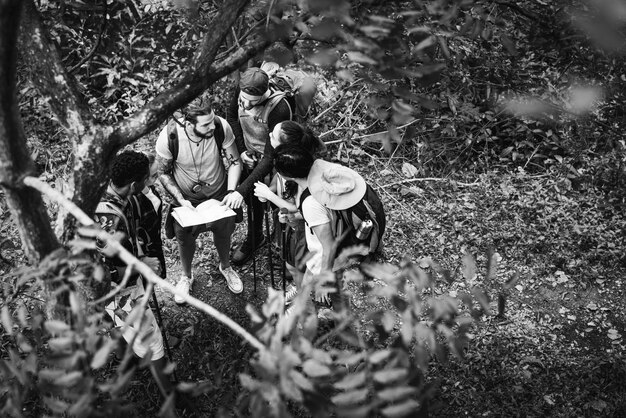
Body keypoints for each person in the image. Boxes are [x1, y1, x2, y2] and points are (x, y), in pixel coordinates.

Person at [94, 150, 173, 397]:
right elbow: (105, 268)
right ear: (133, 184)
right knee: (152, 341)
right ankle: (170, 397)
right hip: (117, 289)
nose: (150, 182)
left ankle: (125, 356)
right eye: (146, 179)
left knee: (119, 324)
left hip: (115, 283)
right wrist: (142, 264)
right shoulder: (108, 218)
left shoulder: (109, 192)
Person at [156, 100, 243, 301]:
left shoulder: (221, 127)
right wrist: (180, 199)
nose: (212, 126)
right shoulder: (169, 137)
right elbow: (163, 172)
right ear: (188, 124)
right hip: (186, 198)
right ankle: (186, 277)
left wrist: (231, 191)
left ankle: (226, 267)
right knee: (184, 237)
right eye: (206, 124)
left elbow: (235, 162)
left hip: (220, 192)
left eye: (212, 121)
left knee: (223, 230)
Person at [223, 67, 294, 265]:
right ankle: (255, 238)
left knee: (277, 204)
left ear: (264, 93)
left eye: (252, 102)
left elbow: (271, 156)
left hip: (275, 160)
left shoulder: (279, 108)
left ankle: (284, 247)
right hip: (250, 153)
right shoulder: (242, 90)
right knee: (253, 203)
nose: (245, 105)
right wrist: (242, 149)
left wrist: (240, 190)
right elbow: (231, 116)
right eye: (242, 99)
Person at [252, 121, 326, 304]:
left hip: (304, 228)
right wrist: (270, 190)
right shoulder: (285, 159)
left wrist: (269, 195)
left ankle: (302, 302)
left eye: (273, 136)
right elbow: (279, 179)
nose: (269, 135)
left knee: (298, 267)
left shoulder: (303, 170)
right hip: (291, 224)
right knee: (291, 265)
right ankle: (299, 290)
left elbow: (300, 206)